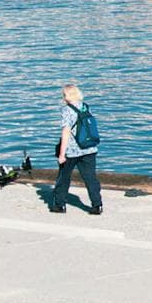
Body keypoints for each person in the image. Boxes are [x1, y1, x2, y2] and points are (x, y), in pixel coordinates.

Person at [49, 84, 103, 215]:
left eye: (64, 95)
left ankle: (60, 205)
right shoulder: (85, 107)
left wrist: (62, 154)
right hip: (89, 148)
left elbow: (66, 133)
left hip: (72, 151)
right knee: (90, 178)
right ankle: (97, 205)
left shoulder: (67, 110)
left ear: (67, 96)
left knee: (63, 178)